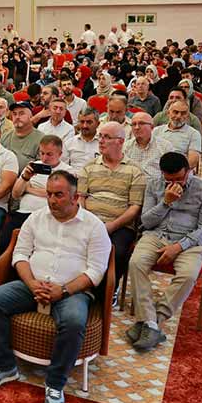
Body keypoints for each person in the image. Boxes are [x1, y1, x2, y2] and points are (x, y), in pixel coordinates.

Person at [0, 171, 111, 403]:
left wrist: (64, 290)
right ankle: (5, 366)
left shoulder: (94, 226)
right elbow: (20, 254)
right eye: (49, 194)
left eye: (59, 195)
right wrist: (31, 283)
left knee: (74, 321)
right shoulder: (36, 218)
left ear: (75, 197)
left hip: (72, 291)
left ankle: (55, 383)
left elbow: (96, 271)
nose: (51, 200)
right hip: (33, 284)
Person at [127, 151, 202, 350]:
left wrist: (179, 246)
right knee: (136, 263)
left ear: (188, 171)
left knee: (188, 275)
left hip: (190, 241)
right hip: (156, 235)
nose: (175, 184)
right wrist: (166, 202)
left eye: (179, 179)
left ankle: (152, 321)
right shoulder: (154, 185)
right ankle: (150, 324)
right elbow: (146, 222)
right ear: (162, 174)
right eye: (169, 180)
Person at [78, 121, 145, 288]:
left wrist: (112, 226)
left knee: (117, 252)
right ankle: (80, 286)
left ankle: (108, 292)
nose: (101, 141)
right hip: (90, 221)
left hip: (119, 225)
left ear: (120, 141)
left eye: (107, 137)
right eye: (100, 136)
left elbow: (135, 207)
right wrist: (87, 221)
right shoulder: (89, 167)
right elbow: (80, 198)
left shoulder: (135, 171)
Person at [0, 135, 73, 252]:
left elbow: (56, 195)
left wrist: (29, 189)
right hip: (23, 213)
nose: (44, 158)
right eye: (42, 153)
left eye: (49, 154)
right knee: (2, 243)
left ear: (60, 154)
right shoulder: (34, 166)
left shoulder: (67, 172)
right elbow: (15, 194)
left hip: (49, 216)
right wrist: (25, 178)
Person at [152, 100, 201, 170]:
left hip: (179, 171)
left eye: (183, 113)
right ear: (168, 113)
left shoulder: (194, 134)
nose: (179, 116)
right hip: (156, 169)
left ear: (187, 116)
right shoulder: (156, 131)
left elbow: (192, 162)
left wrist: (175, 172)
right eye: (175, 112)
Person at [124, 113, 173, 180]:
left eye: (141, 123)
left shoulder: (165, 146)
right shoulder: (126, 146)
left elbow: (170, 172)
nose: (137, 127)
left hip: (155, 185)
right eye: (134, 124)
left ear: (152, 127)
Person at [0, 102, 44, 175]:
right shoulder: (4, 137)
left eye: (21, 113)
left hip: (29, 179)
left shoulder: (42, 139)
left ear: (30, 116)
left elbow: (41, 169)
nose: (17, 117)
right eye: (14, 114)